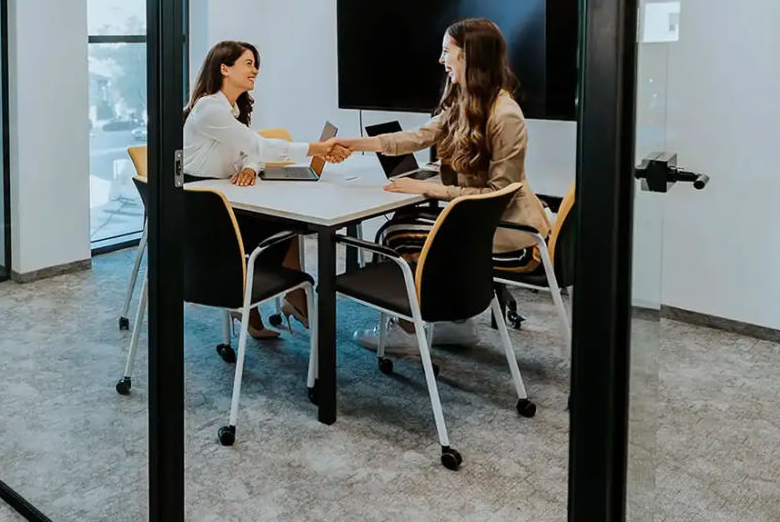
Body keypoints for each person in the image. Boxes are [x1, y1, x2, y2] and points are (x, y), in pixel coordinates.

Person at [338, 18, 550, 353]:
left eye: (446, 51)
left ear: (469, 55)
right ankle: (456, 324)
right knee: (405, 226)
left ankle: (408, 331)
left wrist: (429, 189)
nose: (441, 59)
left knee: (400, 235)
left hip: (517, 238)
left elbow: (498, 195)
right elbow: (418, 137)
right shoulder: (465, 102)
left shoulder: (505, 114)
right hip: (488, 227)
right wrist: (354, 143)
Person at [184, 40, 350, 339]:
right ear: (225, 68)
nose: (255, 70)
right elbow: (257, 144)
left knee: (288, 224)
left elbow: (251, 149)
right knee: (287, 224)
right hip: (203, 211)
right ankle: (279, 298)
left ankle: (276, 299)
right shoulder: (209, 108)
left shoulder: (232, 108)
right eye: (248, 63)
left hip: (225, 197)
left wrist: (249, 167)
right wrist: (316, 148)